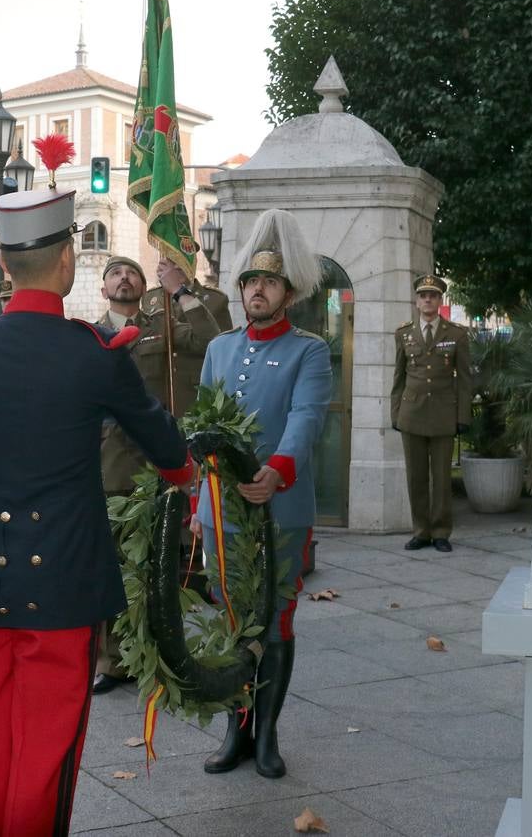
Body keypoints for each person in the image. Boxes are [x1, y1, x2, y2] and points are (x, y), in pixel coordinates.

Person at [0, 151, 195, 835]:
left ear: (8, 265)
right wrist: (188, 479)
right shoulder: (95, 354)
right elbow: (164, 447)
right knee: (47, 748)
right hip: (66, 581)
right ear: (67, 261)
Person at [197, 209, 331, 780]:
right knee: (231, 619)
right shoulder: (221, 348)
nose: (257, 289)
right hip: (221, 509)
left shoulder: (310, 350)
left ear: (290, 292)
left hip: (279, 507)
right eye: (250, 281)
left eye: (269, 282)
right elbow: (202, 421)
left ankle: (267, 734)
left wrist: (277, 469)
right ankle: (236, 730)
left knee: (274, 618)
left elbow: (307, 418)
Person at [91, 254, 222, 694]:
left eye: (131, 272)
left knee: (155, 566)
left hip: (155, 465)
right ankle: (112, 661)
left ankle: (158, 655)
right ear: (103, 288)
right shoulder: (89, 334)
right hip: (108, 464)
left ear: (144, 285)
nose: (123, 278)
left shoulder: (161, 324)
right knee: (109, 565)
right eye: (115, 273)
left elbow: (210, 339)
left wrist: (179, 292)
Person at [390, 274, 472, 553]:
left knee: (441, 477)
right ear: (416, 300)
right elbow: (398, 377)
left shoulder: (457, 334)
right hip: (411, 413)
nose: (428, 299)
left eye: (433, 295)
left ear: (440, 300)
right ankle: (421, 531)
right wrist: (395, 414)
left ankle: (440, 532)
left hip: (443, 414)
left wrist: (463, 417)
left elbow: (464, 380)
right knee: (416, 477)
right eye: (423, 295)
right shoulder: (403, 333)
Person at [141, 255, 233, 411]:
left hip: (196, 398)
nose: (177, 266)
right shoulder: (151, 298)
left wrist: (178, 290)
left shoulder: (215, 299)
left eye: (184, 258)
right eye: (172, 260)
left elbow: (223, 352)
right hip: (158, 398)